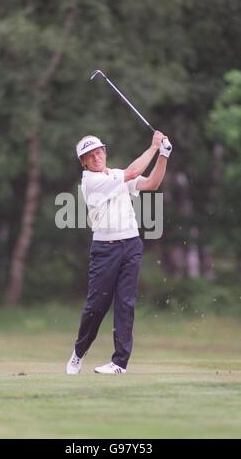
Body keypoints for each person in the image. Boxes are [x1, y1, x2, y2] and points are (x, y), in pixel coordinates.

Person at [66, 131, 172, 374]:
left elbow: (151, 184)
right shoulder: (91, 182)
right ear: (83, 162)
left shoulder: (115, 175)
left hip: (131, 245)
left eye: (98, 151)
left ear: (104, 151)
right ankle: (78, 353)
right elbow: (133, 173)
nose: (95, 157)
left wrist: (164, 155)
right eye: (89, 156)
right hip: (105, 249)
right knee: (97, 306)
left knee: (126, 303)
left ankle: (119, 363)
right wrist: (154, 147)